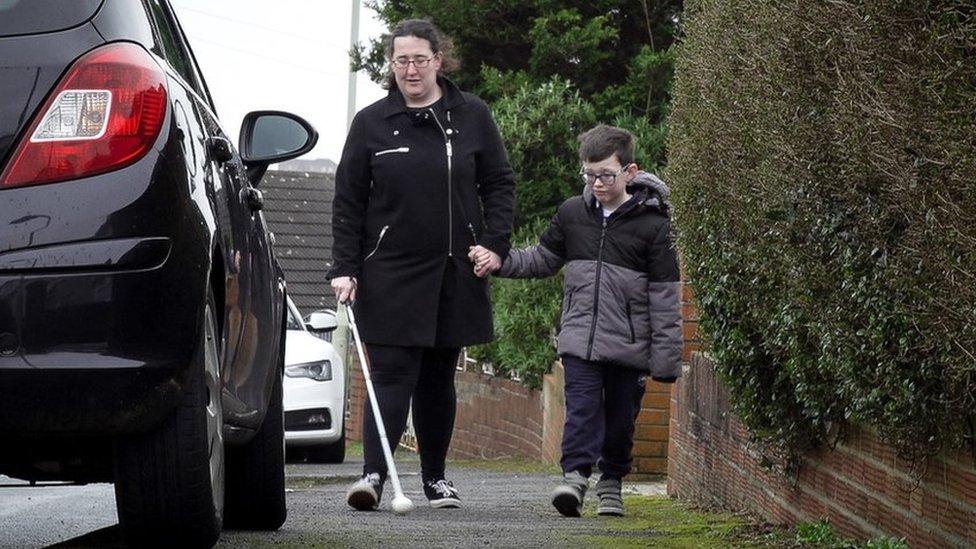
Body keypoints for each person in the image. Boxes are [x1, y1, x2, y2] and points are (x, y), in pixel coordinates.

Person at [328, 19, 515, 511]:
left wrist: (494, 243)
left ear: (439, 59)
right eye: (400, 60)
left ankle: (436, 479)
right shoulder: (371, 122)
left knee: (437, 378)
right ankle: (373, 476)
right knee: (390, 372)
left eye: (419, 59)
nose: (410, 69)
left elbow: (499, 185)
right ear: (392, 65)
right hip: (388, 270)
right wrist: (343, 267)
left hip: (455, 269)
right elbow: (348, 201)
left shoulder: (472, 114)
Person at [469, 125, 682, 517]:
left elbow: (665, 298)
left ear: (630, 172)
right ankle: (574, 478)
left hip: (630, 346)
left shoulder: (655, 227)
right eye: (589, 174)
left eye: (606, 175)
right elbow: (542, 258)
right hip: (580, 337)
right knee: (581, 409)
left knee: (620, 419)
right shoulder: (572, 213)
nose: (597, 183)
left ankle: (612, 484)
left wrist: (666, 360)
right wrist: (499, 259)